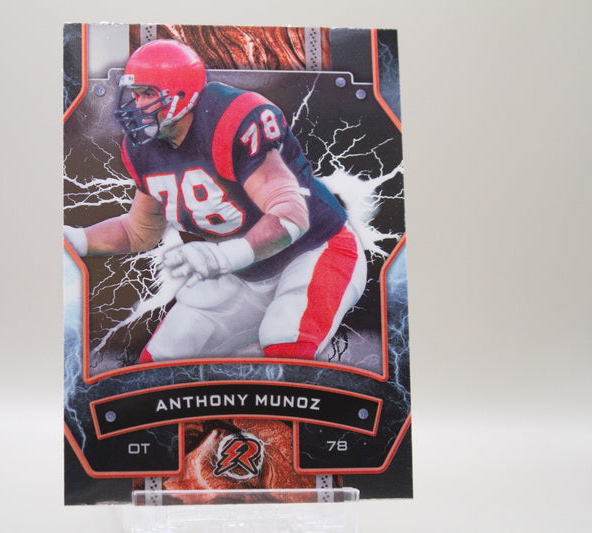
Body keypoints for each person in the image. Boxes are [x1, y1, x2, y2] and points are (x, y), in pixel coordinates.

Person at [64, 39, 366, 363]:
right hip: (242, 271)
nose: (137, 105)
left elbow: (290, 213)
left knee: (285, 341)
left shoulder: (232, 119)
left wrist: (224, 257)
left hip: (313, 250)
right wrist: (76, 240)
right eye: (134, 93)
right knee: (159, 360)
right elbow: (138, 232)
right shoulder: (142, 149)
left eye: (148, 93)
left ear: (183, 94)